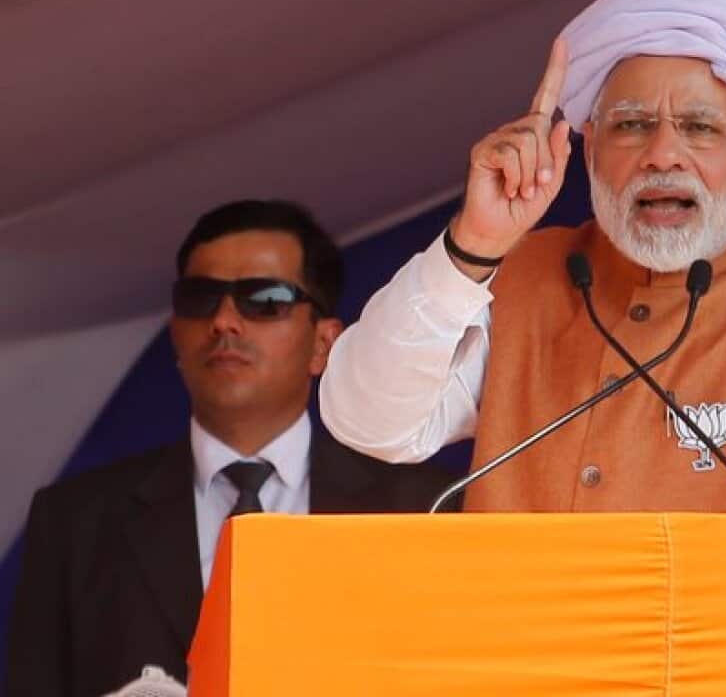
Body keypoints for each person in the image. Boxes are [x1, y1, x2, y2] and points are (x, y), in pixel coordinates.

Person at [321, 0, 726, 603]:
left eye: (700, 128)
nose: (663, 154)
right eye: (631, 126)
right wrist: (472, 245)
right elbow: (368, 421)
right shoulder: (517, 274)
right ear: (591, 145)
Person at [5, 200, 458, 697]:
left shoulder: (420, 510)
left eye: (263, 299)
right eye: (201, 298)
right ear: (175, 331)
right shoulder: (76, 519)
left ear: (324, 343)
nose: (224, 321)